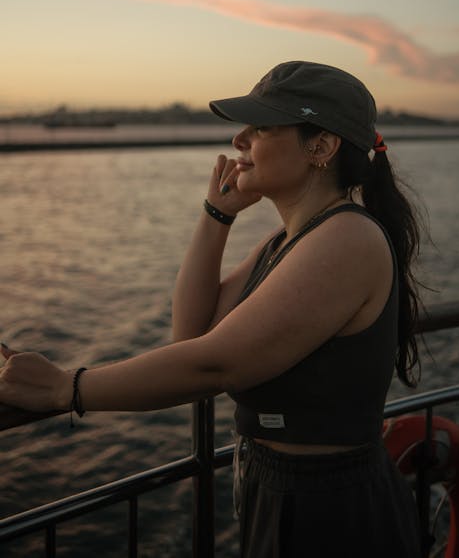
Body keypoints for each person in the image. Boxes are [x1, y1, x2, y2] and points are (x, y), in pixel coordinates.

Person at [0, 61, 423, 556]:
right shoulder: (288, 242)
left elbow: (217, 362)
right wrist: (216, 214)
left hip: (332, 509)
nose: (240, 139)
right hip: (284, 490)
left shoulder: (347, 238)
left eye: (262, 126)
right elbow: (191, 334)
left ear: (322, 147)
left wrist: (65, 387)